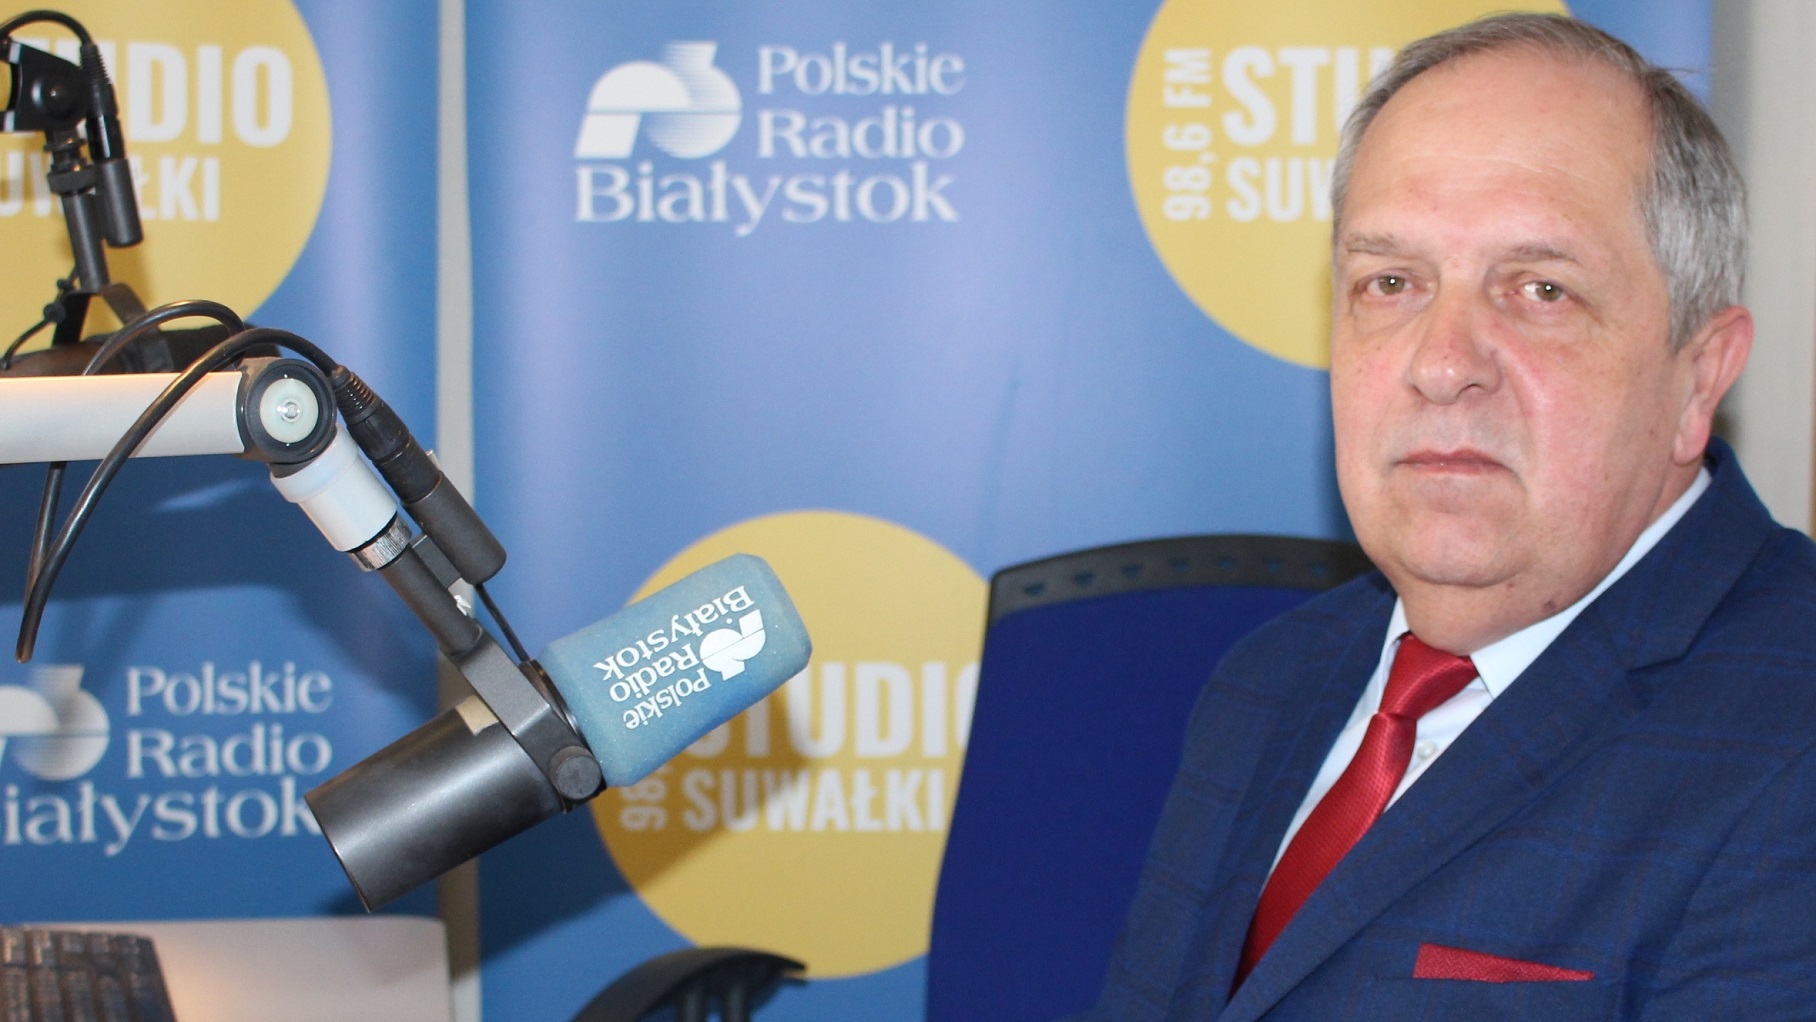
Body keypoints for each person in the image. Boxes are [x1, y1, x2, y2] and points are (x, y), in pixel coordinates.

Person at [1080, 12, 1816, 1021]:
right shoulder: (1267, 683)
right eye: (1390, 283)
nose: (1441, 362)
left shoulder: (1791, 742)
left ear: (1699, 378)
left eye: (1541, 289)